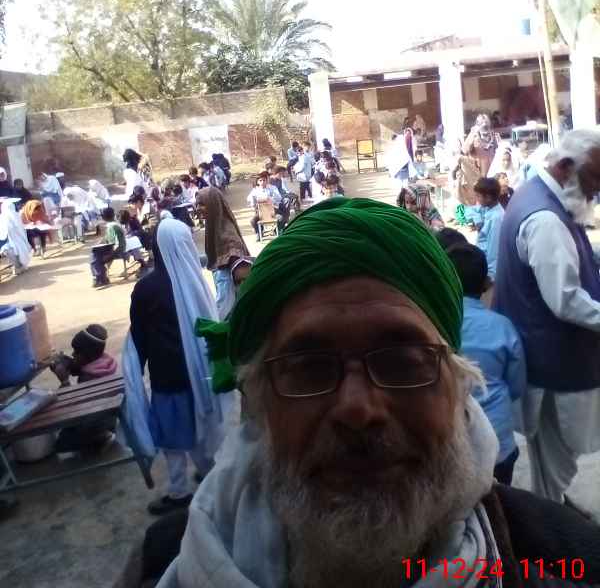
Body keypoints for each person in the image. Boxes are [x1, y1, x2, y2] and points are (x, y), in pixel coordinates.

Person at [154, 196, 600, 588]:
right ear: (258, 404)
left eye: (403, 362)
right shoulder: (158, 562)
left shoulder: (565, 560)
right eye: (309, 369)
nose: (358, 409)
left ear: (459, 388)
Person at [494, 129, 600, 507]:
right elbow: (565, 301)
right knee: (559, 460)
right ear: (566, 167)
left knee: (551, 462)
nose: (595, 191)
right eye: (593, 179)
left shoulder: (539, 194)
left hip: (544, 355)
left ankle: (552, 514)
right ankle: (553, 525)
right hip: (555, 361)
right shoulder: (545, 219)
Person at [125, 219, 232, 515]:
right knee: (201, 425)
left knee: (172, 437)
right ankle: (210, 476)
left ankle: (178, 491)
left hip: (167, 376)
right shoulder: (196, 282)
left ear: (157, 247)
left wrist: (137, 368)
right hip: (200, 373)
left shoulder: (146, 288)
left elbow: (139, 334)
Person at [444, 243, 526, 485]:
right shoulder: (502, 327)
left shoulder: (431, 325)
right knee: (499, 500)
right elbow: (516, 386)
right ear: (485, 284)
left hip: (449, 449)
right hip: (499, 444)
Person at [52, 324, 118, 455]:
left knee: (60, 444)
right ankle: (103, 434)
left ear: (87, 356)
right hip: (110, 420)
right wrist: (71, 364)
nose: (73, 354)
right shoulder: (104, 364)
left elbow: (70, 409)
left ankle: (101, 437)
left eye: (77, 352)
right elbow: (83, 366)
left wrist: (64, 381)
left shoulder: (88, 379)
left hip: (92, 424)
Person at [196, 187, 252, 320]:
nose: (197, 208)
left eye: (202, 204)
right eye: (197, 204)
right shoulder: (215, 228)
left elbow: (226, 299)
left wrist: (222, 323)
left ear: (213, 205)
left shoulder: (227, 236)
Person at [90, 206, 138, 288]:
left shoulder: (113, 226)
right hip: (114, 249)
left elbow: (119, 245)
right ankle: (101, 278)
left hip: (118, 251)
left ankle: (100, 278)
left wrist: (111, 255)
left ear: (103, 217)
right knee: (95, 255)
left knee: (95, 257)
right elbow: (110, 240)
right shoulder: (112, 225)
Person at [473, 177, 504, 282]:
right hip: (482, 258)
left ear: (488, 197)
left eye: (478, 196)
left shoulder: (496, 218)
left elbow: (494, 250)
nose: (476, 199)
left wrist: (490, 275)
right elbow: (471, 210)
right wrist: (478, 220)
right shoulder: (486, 207)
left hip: (488, 266)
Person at [247, 173, 282, 240]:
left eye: (264, 180)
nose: (262, 182)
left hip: (272, 210)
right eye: (260, 180)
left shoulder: (272, 188)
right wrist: (255, 200)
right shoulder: (255, 190)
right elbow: (249, 199)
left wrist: (270, 199)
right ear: (257, 182)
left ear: (267, 181)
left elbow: (279, 198)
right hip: (261, 211)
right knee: (253, 221)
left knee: (280, 218)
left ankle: (277, 231)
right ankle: (259, 232)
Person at [0, 198, 32, 274]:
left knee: (11, 250)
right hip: (13, 242)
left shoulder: (10, 217)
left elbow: (4, 235)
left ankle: (18, 266)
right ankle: (17, 266)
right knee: (9, 250)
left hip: (15, 241)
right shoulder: (9, 216)